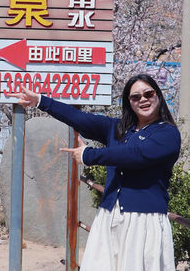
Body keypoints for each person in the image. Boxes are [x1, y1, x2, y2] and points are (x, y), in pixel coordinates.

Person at [15, 73, 181, 271]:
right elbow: (80, 118)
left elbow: (135, 155)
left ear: (158, 96)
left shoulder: (167, 134)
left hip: (143, 221)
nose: (143, 99)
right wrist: (40, 101)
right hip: (109, 215)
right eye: (135, 97)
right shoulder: (119, 129)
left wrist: (89, 155)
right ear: (129, 102)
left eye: (148, 93)